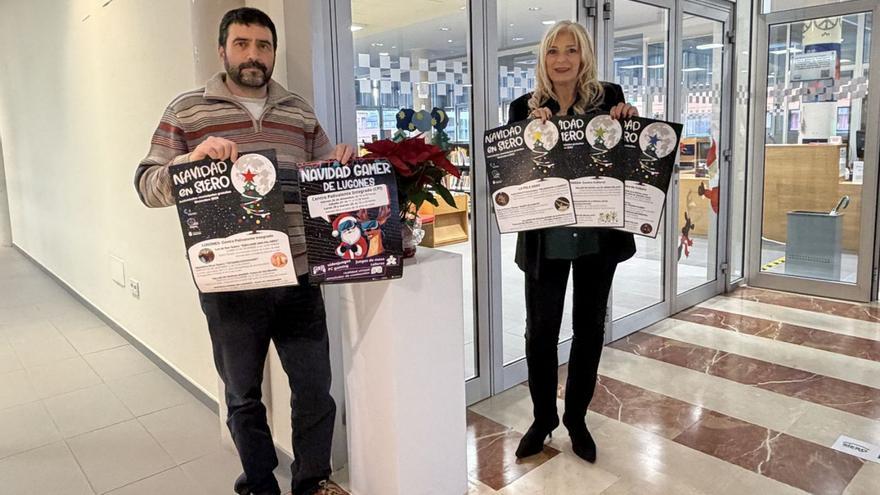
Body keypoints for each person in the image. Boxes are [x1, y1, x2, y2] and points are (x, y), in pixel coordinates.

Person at [134, 8, 350, 495]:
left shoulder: (298, 110)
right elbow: (147, 185)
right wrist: (189, 161)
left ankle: (312, 480)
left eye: (264, 45)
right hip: (230, 283)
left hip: (297, 277)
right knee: (243, 395)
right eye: (242, 44)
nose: (254, 55)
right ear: (222, 50)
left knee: (315, 392)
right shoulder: (187, 111)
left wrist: (338, 163)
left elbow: (321, 179)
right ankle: (258, 481)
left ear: (273, 52)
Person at [507, 20, 638, 463]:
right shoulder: (522, 107)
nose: (562, 59)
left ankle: (577, 418)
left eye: (571, 50)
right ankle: (543, 419)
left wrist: (628, 125)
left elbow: (627, 159)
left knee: (589, 330)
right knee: (539, 334)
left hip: (596, 238)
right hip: (547, 240)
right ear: (543, 59)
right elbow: (515, 172)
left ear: (584, 57)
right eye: (553, 51)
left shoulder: (609, 99)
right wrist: (531, 132)